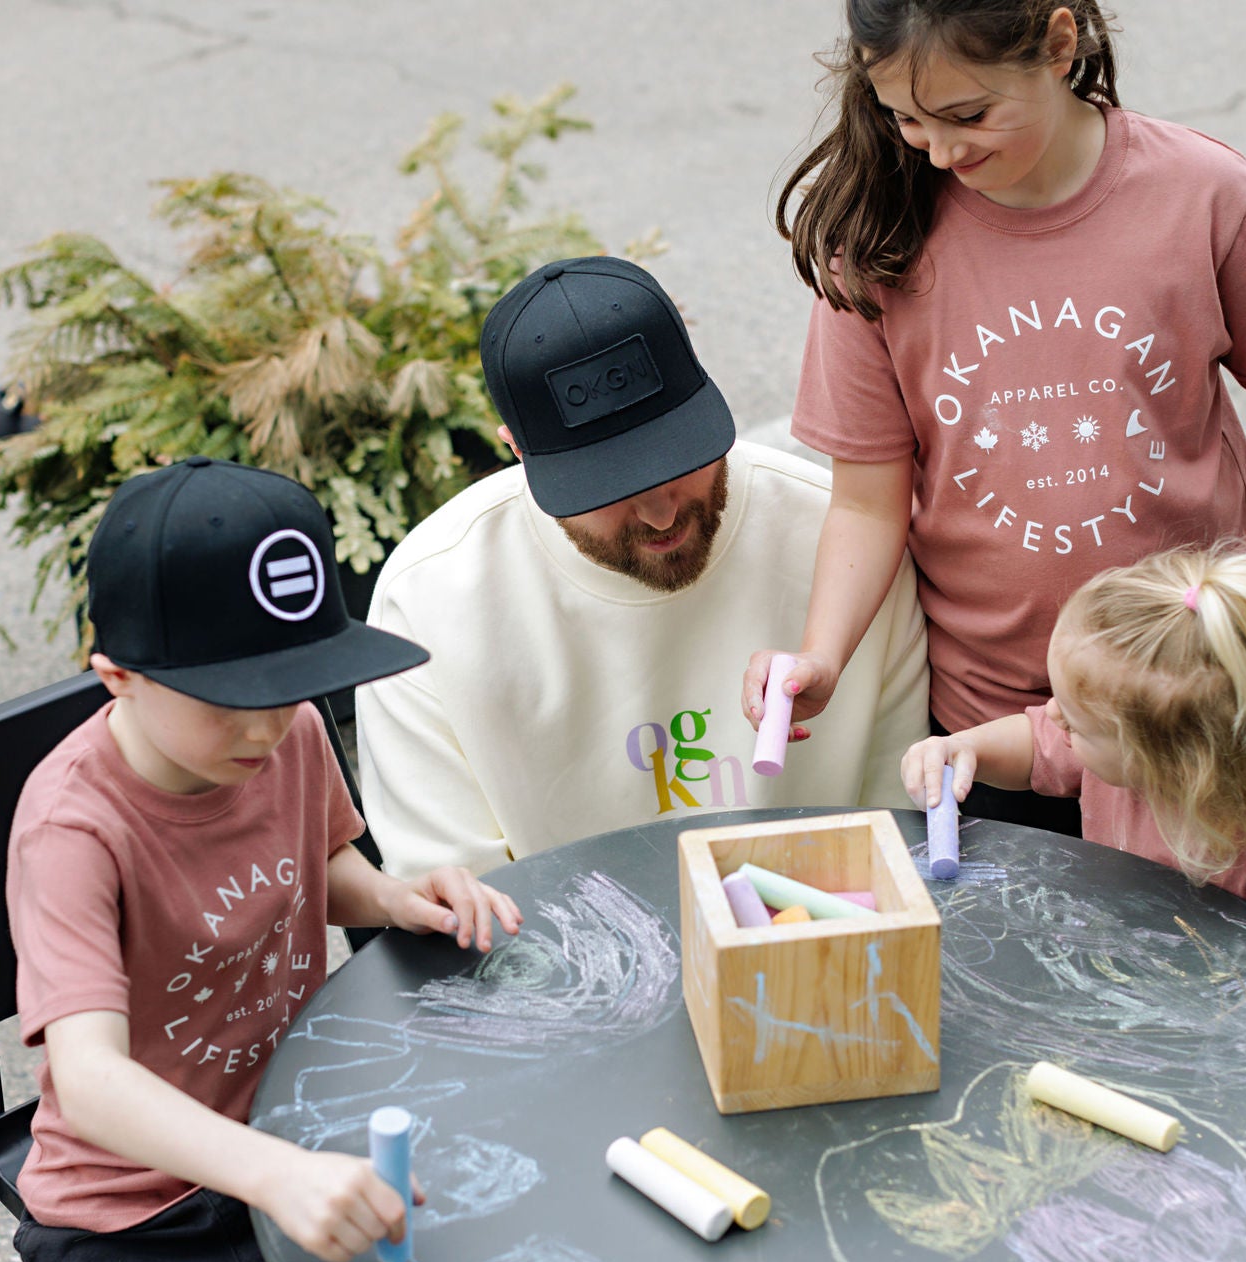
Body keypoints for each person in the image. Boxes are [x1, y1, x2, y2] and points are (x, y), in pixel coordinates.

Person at [745, 0, 1246, 835]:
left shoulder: (1202, 191)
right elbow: (866, 499)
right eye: (906, 119)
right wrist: (825, 654)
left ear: (1060, 45)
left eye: (970, 115)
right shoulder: (876, 239)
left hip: (1199, 709)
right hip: (990, 729)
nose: (942, 149)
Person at [5, 457, 522, 1262]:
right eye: (229, 700)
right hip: (133, 1225)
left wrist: (397, 896)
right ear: (117, 676)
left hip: (302, 1133)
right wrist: (274, 1176)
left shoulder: (291, 732)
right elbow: (89, 1083)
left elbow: (321, 862)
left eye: (291, 684)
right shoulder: (69, 827)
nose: (265, 727)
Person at [355, 256, 930, 879]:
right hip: (562, 963)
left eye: (676, 457)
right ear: (517, 451)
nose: (660, 515)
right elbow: (451, 892)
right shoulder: (428, 601)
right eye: (609, 483)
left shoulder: (841, 544)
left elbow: (900, 833)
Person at [902, 545, 1246, 1071]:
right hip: (1152, 1010)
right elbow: (1034, 742)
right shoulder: (1124, 765)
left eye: (1074, 719)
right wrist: (962, 746)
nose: (1053, 718)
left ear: (1175, 762)